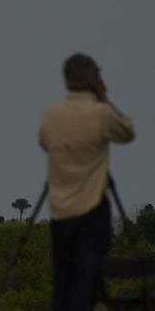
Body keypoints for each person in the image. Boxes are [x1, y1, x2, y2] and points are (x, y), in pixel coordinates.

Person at [39, 53, 134, 311]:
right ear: (93, 80)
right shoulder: (101, 114)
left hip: (60, 214)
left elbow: (44, 141)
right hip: (92, 214)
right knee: (87, 284)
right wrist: (104, 98)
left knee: (63, 282)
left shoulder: (52, 115)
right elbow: (127, 131)